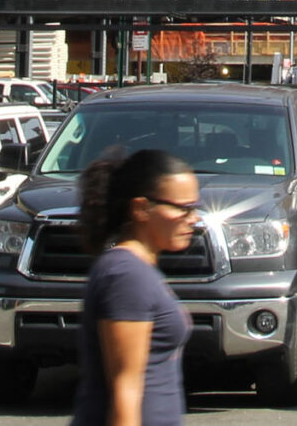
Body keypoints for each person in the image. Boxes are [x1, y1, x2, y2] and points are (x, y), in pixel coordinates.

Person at [71, 148, 201, 426]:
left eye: (194, 208)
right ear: (141, 208)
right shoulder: (126, 275)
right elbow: (125, 390)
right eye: (182, 208)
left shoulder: (138, 270)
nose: (193, 218)